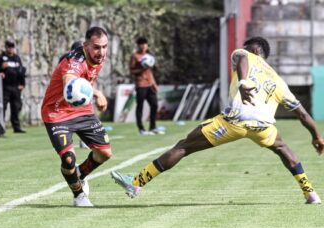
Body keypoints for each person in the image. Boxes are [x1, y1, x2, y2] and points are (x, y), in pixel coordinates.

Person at [111, 37, 324, 204]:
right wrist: (317, 136)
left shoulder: (246, 55)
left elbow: (241, 58)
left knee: (184, 146)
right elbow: (303, 114)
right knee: (284, 149)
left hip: (234, 120)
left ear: (257, 50)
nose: (244, 49)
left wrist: (242, 82)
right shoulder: (278, 80)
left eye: (248, 47)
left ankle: (137, 183)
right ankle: (311, 193)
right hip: (262, 125)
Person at [41, 27, 112, 207]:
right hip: (57, 112)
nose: (101, 52)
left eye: (104, 47)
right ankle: (79, 195)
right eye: (97, 47)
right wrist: (96, 93)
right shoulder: (74, 61)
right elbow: (70, 82)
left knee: (105, 153)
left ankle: (79, 174)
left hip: (82, 110)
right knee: (68, 159)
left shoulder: (98, 58)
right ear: (86, 45)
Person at [130, 37, 162, 135]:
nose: (144, 46)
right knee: (140, 106)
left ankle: (153, 127)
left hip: (149, 85)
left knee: (155, 105)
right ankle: (141, 129)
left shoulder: (149, 57)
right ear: (138, 45)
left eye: (145, 44)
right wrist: (142, 69)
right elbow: (132, 71)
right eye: (142, 44)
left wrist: (154, 84)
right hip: (141, 84)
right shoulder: (135, 56)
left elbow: (150, 72)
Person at [0, 40, 26, 133]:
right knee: (2, 107)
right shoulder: (0, 58)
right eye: (9, 47)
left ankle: (16, 127)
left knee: (16, 107)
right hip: (5, 87)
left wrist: (23, 84)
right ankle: (1, 127)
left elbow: (21, 72)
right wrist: (0, 70)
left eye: (12, 47)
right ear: (6, 47)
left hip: (16, 87)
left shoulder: (17, 58)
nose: (11, 49)